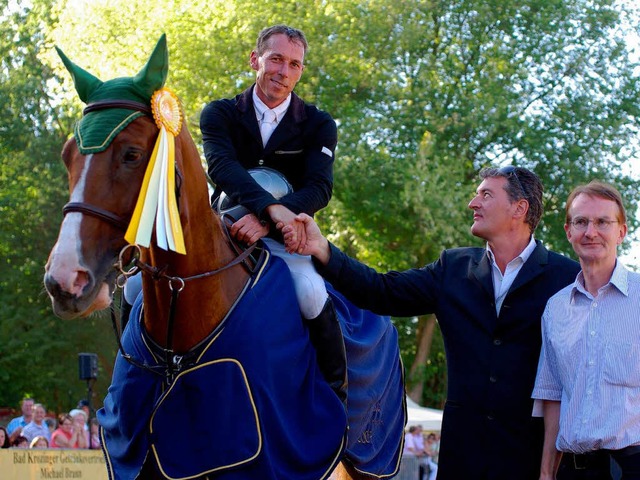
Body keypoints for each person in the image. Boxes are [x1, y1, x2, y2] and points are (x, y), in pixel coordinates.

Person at [282, 166, 580, 479]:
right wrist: (323, 249)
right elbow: (380, 290)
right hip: (461, 460)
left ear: (520, 209)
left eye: (486, 195)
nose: (472, 203)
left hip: (533, 463)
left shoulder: (566, 279)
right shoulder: (452, 268)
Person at [200, 25, 346, 401]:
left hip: (287, 236)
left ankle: (335, 398)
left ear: (301, 71)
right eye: (276, 59)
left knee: (312, 294)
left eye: (294, 64)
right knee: (139, 285)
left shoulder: (319, 124)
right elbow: (221, 168)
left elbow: (319, 188)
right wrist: (265, 209)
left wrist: (268, 223)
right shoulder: (220, 113)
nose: (283, 71)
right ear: (255, 59)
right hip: (222, 226)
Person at [532, 180, 640, 480]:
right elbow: (552, 397)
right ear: (569, 232)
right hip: (574, 470)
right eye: (581, 222)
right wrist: (546, 473)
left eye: (603, 222)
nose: (590, 232)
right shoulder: (555, 309)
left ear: (621, 231)